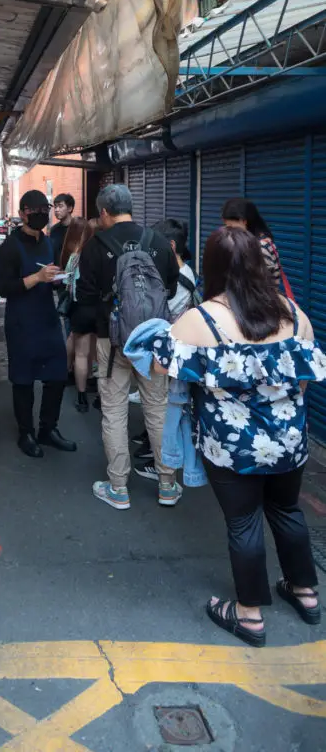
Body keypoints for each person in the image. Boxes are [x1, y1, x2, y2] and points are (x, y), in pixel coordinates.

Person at [151, 226, 323, 646]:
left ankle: (248, 616)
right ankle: (306, 593)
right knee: (286, 511)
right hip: (288, 442)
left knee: (244, 522)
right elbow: (305, 378)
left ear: (213, 267)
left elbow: (161, 366)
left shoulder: (200, 319)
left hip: (230, 448)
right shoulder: (292, 314)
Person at [75, 184, 181, 509]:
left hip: (112, 340)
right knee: (158, 408)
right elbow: (172, 289)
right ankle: (167, 484)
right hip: (152, 339)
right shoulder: (159, 243)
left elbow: (86, 297)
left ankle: (118, 487)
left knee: (115, 411)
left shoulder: (95, 246)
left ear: (104, 212)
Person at [0, 190, 77, 458]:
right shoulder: (9, 246)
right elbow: (4, 288)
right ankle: (26, 433)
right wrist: (37, 277)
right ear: (22, 213)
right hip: (21, 321)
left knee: (56, 375)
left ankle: (48, 429)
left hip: (47, 317)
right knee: (24, 380)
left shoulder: (48, 241)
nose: (42, 215)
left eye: (46, 209)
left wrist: (58, 279)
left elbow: (49, 275)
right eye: (35, 211)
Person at [132, 218, 198, 474]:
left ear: (170, 246)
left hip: (171, 352)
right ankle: (154, 446)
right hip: (168, 350)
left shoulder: (181, 278)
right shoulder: (178, 272)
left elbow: (163, 313)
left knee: (165, 409)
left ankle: (163, 466)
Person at [60, 218, 97, 414]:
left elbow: (67, 282)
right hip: (100, 309)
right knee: (97, 350)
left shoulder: (75, 258)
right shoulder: (103, 255)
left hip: (80, 308)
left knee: (80, 350)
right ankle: (98, 389)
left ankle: (82, 398)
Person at [222, 197, 286, 291]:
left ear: (243, 221)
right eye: (226, 226)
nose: (229, 231)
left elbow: (262, 288)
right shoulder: (253, 242)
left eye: (231, 226)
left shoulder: (260, 247)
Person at [49, 193, 75, 264]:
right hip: (57, 272)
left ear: (70, 208)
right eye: (55, 207)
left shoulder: (78, 228)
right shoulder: (54, 230)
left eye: (60, 206)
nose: (56, 210)